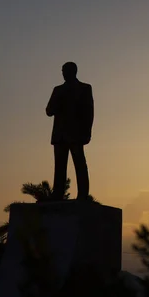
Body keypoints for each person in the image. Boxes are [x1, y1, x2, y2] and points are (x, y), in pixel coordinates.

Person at [46, 62, 94, 200]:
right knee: (59, 167)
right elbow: (49, 111)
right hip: (60, 135)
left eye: (65, 71)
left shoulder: (84, 88)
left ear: (73, 71)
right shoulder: (58, 90)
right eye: (62, 71)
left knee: (80, 165)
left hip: (76, 134)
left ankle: (83, 195)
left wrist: (87, 132)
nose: (63, 73)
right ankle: (58, 194)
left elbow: (89, 112)